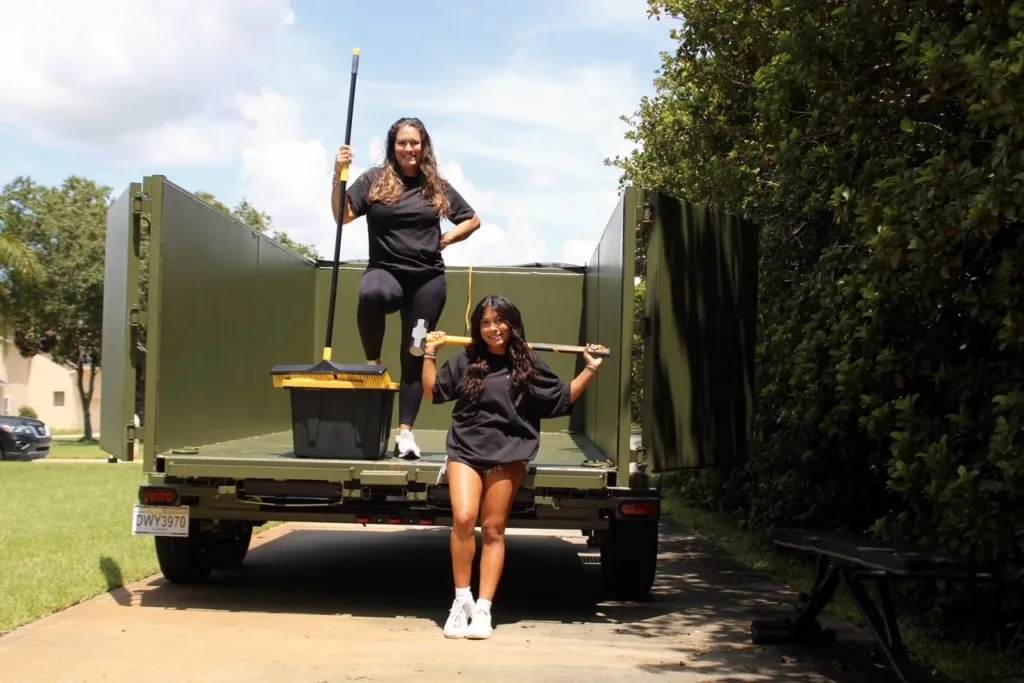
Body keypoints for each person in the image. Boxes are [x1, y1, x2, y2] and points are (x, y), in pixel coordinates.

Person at [421, 294, 604, 639]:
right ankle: (462, 601)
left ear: (512, 324)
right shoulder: (466, 359)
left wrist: (591, 368)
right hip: (466, 447)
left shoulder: (528, 363)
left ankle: (484, 609)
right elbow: (433, 393)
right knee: (463, 518)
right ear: (478, 328)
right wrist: (430, 353)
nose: (493, 328)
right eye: (485, 323)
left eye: (499, 321)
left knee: (493, 529)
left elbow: (562, 397)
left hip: (510, 450)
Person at [332, 116, 481, 459]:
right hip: (386, 272)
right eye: (402, 142)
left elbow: (472, 219)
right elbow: (343, 215)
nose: (409, 149)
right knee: (372, 294)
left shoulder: (436, 186)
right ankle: (373, 361)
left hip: (426, 282)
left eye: (415, 142)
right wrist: (338, 174)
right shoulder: (374, 180)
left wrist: (447, 238)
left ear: (424, 146)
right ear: (393, 146)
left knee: (414, 353)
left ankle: (405, 434)